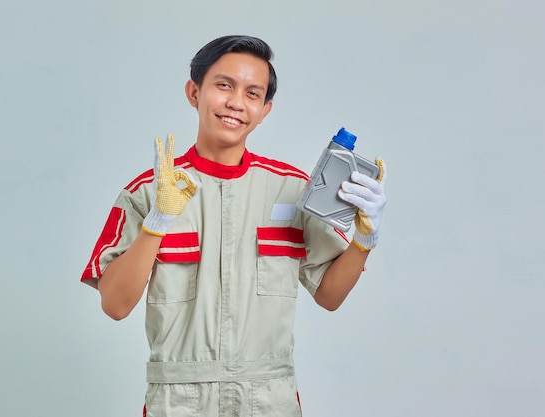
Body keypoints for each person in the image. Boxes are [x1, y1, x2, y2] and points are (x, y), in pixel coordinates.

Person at [80, 35, 387, 416]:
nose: (236, 103)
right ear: (194, 92)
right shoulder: (147, 192)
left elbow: (329, 295)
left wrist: (365, 237)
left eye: (252, 94)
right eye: (223, 85)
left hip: (267, 399)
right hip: (179, 401)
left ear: (265, 109)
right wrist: (156, 224)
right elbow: (115, 305)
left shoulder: (292, 190)